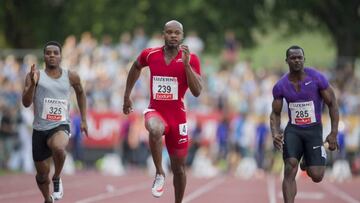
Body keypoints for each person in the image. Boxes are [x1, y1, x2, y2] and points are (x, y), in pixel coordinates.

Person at [123, 20, 202, 203]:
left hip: (178, 118)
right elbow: (135, 66)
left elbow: (197, 92)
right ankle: (159, 172)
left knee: (179, 169)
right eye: (169, 32)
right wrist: (127, 95)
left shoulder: (191, 58)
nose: (173, 35)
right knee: (155, 129)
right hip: (156, 111)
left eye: (177, 33)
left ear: (182, 36)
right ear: (163, 34)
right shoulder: (150, 54)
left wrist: (187, 65)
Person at [270, 45, 339, 203]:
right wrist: (275, 133)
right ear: (287, 60)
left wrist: (334, 133)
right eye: (293, 58)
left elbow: (333, 104)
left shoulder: (316, 78)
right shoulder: (280, 86)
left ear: (304, 59)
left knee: (317, 176)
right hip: (293, 130)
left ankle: (307, 161)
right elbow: (275, 113)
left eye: (299, 57)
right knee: (289, 167)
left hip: (314, 130)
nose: (296, 60)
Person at [22, 41, 88, 203]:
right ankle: (47, 199)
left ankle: (57, 177)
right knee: (42, 175)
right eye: (48, 53)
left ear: (60, 56)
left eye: (55, 53)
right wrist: (32, 84)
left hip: (61, 124)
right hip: (39, 129)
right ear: (44, 56)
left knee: (59, 148)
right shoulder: (35, 75)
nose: (52, 55)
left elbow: (81, 93)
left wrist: (84, 119)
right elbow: (26, 103)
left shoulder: (71, 76)